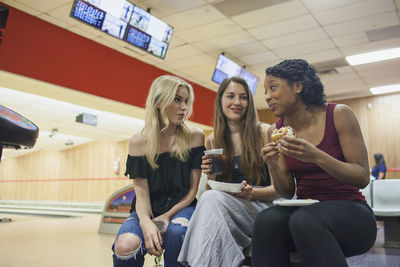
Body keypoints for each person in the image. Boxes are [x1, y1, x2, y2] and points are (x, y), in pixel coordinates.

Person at [252, 59, 377, 267]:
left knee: (304, 219)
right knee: (267, 220)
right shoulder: (277, 130)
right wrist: (272, 164)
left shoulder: (339, 114)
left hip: (353, 214)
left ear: (298, 86)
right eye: (265, 91)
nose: (267, 97)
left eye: (273, 87)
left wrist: (317, 156)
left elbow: (362, 177)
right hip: (305, 215)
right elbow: (286, 190)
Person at [178, 76, 280, 267]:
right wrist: (212, 176)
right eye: (231, 96)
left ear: (249, 102)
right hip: (230, 210)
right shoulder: (213, 140)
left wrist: (252, 193)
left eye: (243, 97)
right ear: (221, 101)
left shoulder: (265, 132)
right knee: (210, 198)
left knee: (210, 199)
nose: (237, 102)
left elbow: (280, 190)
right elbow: (213, 189)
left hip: (264, 210)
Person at [112, 75, 205, 267]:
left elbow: (191, 192)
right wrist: (146, 222)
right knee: (125, 245)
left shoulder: (195, 136)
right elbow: (142, 194)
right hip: (146, 210)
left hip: (183, 206)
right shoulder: (139, 142)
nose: (184, 107)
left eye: (186, 101)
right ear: (159, 102)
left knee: (177, 233)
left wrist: (168, 216)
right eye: (177, 100)